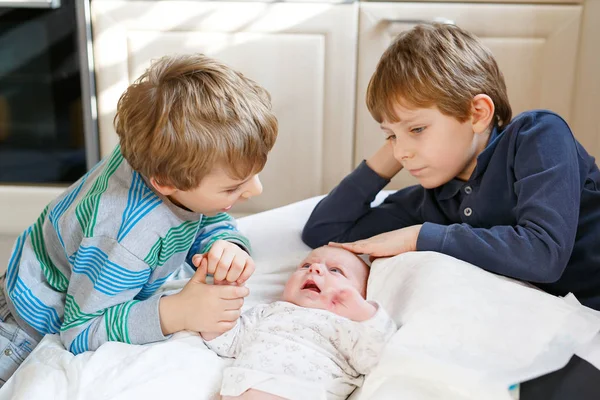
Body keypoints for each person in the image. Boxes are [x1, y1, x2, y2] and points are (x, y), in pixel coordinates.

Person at [0, 54, 278, 386]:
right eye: (233, 187)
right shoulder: (126, 238)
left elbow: (197, 211)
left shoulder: (160, 154)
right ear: (166, 182)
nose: (256, 190)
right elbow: (81, 331)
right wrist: (175, 312)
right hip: (21, 331)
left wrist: (225, 243)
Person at [301, 23, 600, 312]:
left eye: (417, 129)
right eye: (390, 136)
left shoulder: (537, 136)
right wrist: (397, 145)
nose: (402, 152)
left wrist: (417, 237)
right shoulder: (433, 197)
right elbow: (324, 231)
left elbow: (543, 254)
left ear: (478, 113)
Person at [200, 245, 397, 400]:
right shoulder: (268, 312)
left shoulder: (348, 325)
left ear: (361, 293)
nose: (315, 268)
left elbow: (377, 357)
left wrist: (364, 313)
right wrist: (222, 297)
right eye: (305, 266)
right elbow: (226, 341)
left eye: (336, 270)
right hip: (240, 390)